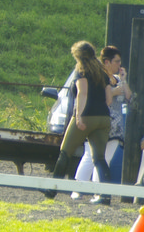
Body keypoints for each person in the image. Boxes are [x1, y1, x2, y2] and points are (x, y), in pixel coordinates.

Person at [50, 41, 114, 205]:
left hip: (87, 116)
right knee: (99, 158)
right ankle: (106, 195)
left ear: (78, 56)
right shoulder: (102, 72)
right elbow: (109, 99)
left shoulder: (82, 71)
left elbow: (82, 94)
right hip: (104, 117)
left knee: (65, 152)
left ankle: (52, 189)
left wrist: (78, 116)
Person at [73, 45, 131, 189]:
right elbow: (101, 98)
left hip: (115, 126)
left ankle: (97, 190)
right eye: (116, 61)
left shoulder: (117, 80)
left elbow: (129, 97)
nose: (119, 65)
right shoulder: (98, 77)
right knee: (90, 156)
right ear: (107, 62)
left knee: (105, 159)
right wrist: (114, 91)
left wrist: (123, 80)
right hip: (99, 120)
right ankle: (78, 189)